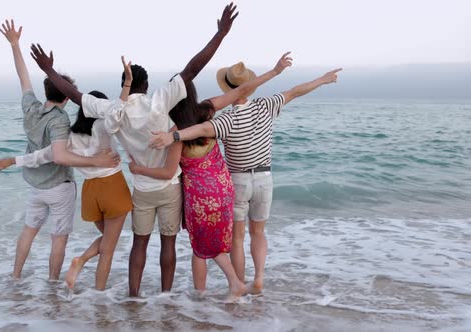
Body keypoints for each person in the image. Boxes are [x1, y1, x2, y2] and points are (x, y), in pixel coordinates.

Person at [28, 3, 239, 297]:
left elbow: (74, 95)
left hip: (141, 188)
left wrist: (49, 70)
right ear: (147, 84)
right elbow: (192, 69)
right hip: (168, 186)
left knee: (139, 243)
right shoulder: (160, 102)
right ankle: (165, 298)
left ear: (124, 84)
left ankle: (133, 297)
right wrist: (220, 34)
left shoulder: (112, 109)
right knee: (168, 244)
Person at [149, 56, 342, 292]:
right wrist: (322, 79)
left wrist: (173, 136)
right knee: (258, 233)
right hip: (263, 179)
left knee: (236, 240)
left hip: (237, 180)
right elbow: (295, 92)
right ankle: (258, 278)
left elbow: (200, 130)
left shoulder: (226, 120)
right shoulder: (266, 105)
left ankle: (237, 287)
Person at [129, 53, 293, 299]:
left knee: (201, 247)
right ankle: (229, 288)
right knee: (223, 241)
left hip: (200, 197)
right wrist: (275, 71)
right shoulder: (206, 110)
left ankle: (214, 292)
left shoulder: (176, 133)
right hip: (225, 188)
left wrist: (138, 169)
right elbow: (241, 92)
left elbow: (167, 172)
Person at [0, 57, 134, 291]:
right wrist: (126, 85)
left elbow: (44, 154)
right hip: (108, 186)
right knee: (107, 245)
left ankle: (19, 277)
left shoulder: (69, 133)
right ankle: (88, 285)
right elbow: (116, 114)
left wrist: (14, 160)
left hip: (88, 192)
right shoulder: (101, 126)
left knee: (107, 239)